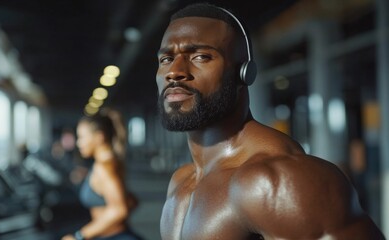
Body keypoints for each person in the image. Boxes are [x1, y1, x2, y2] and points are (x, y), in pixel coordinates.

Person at [155, 2, 385, 240]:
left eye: (201, 56)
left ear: (244, 72)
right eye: (166, 59)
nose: (175, 71)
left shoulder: (278, 180)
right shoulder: (181, 181)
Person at [62, 108, 143, 240]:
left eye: (82, 137)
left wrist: (79, 236)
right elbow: (131, 200)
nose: (78, 143)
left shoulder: (104, 168)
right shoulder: (109, 162)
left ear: (99, 137)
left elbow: (120, 209)